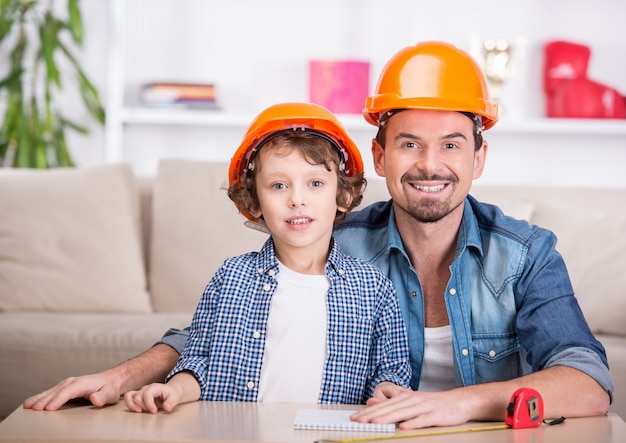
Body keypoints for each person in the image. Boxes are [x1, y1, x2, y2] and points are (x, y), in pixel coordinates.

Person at [24, 41, 613, 428]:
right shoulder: (337, 240)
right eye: (409, 144)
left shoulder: (526, 255)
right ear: (379, 156)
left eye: (452, 145)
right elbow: (216, 326)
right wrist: (118, 377)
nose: (430, 164)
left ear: (479, 159)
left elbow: (588, 382)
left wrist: (458, 404)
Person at [122, 102, 411, 413]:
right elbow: (199, 361)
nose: (297, 199)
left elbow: (390, 371)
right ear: (255, 201)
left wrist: (386, 391)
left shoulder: (373, 288)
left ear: (342, 196)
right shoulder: (230, 277)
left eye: (315, 183)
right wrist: (174, 390)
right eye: (278, 185)